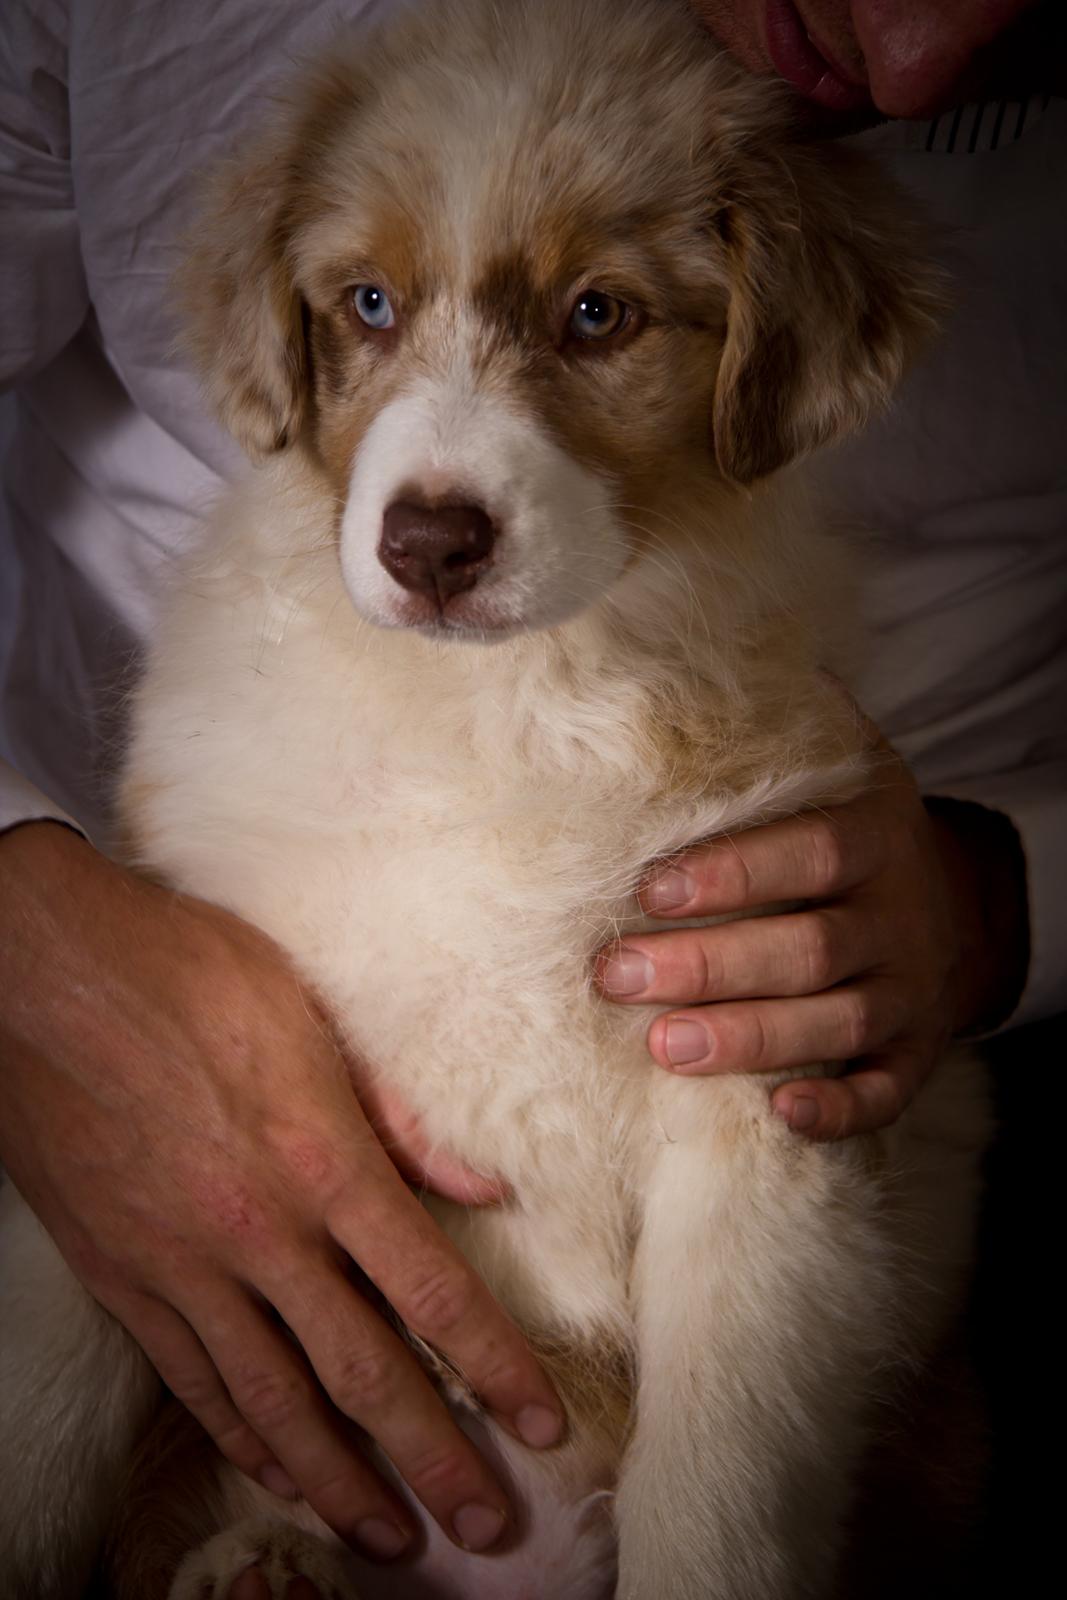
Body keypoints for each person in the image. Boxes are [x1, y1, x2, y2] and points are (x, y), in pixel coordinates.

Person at [1, 0, 1062, 1568]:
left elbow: (774, 1153)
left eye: (596, 321)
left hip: (928, 991)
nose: (916, 70)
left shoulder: (759, 672)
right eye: (366, 302)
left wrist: (1011, 891)